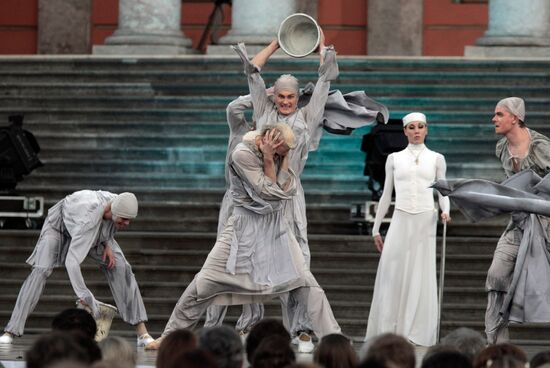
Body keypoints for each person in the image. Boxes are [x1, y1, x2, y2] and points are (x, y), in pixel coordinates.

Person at [145, 124, 340, 350]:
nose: (282, 155)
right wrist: (269, 159)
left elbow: (287, 189)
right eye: (281, 151)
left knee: (305, 282)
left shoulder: (278, 153)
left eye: (285, 152)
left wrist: (283, 159)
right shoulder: (241, 154)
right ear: (268, 140)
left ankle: (334, 339)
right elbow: (269, 192)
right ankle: (170, 337)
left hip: (275, 227)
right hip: (242, 227)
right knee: (204, 282)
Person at [232, 30, 336, 353]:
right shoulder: (263, 113)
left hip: (290, 196)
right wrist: (279, 42)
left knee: (299, 260)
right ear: (274, 96)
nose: (287, 102)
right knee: (251, 259)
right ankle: (248, 324)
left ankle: (302, 329)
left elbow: (325, 80)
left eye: (291, 97)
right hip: (259, 198)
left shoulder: (307, 117)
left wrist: (320, 47)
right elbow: (252, 71)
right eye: (282, 97)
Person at [0, 190, 154, 347]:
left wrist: (106, 242)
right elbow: (72, 262)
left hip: (93, 231)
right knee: (41, 271)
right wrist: (85, 294)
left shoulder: (117, 202)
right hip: (59, 228)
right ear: (113, 211)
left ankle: (142, 333)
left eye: (129, 220)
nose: (127, 223)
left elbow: (108, 224)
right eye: (124, 219)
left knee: (121, 267)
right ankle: (10, 331)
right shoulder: (87, 220)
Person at [365, 112, 451, 346]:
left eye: (420, 127)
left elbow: (443, 191)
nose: (416, 131)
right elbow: (386, 194)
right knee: (392, 271)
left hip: (426, 218)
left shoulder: (436, 158)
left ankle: (416, 329)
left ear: (426, 129)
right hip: (401, 217)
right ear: (404, 131)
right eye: (411, 127)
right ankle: (390, 329)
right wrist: (376, 228)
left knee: (420, 272)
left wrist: (446, 210)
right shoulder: (394, 158)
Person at [485, 97, 550, 343]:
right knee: (496, 275)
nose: (494, 119)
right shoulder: (501, 147)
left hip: (546, 224)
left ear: (516, 117)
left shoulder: (541, 147)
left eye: (500, 114)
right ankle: (495, 343)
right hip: (519, 223)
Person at [204, 93, 264, 335]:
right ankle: (211, 325)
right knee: (221, 262)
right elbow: (234, 107)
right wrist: (262, 94)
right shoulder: (240, 129)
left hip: (257, 205)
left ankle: (249, 324)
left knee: (254, 265)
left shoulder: (270, 140)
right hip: (233, 204)